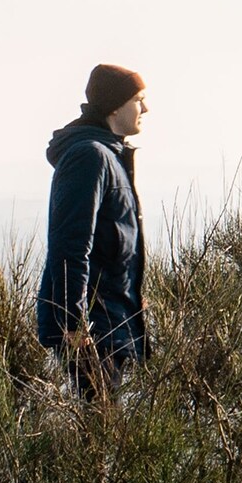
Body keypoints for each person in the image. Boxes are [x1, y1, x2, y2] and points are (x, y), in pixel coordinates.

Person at [38, 63, 149, 390]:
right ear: (115, 106)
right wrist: (73, 324)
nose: (145, 108)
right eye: (138, 99)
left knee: (107, 432)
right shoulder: (90, 156)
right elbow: (70, 246)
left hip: (110, 324)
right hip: (93, 332)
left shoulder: (110, 156)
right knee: (100, 430)